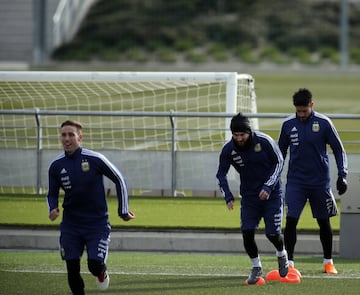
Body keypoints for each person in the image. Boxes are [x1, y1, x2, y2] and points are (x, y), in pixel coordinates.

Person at [46, 120, 135, 295]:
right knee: (72, 267)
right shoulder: (56, 166)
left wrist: (123, 211)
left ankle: (101, 272)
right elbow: (52, 193)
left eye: (71, 134)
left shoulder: (95, 159)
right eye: (63, 135)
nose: (67, 138)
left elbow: (119, 179)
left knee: (94, 265)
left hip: (97, 224)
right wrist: (53, 207)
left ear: (80, 137)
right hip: (71, 225)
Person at [278, 88, 348, 274]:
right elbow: (280, 154)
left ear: (312, 105)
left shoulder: (324, 123)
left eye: (304, 111)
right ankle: (289, 264)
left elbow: (339, 150)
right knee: (291, 220)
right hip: (296, 182)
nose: (301, 115)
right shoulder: (287, 124)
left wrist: (343, 174)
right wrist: (274, 176)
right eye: (298, 111)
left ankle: (328, 262)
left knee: (324, 222)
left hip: (319, 182)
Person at [216, 113, 289, 285]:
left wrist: (268, 186)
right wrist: (227, 195)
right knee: (247, 233)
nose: (239, 138)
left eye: (242, 134)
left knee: (273, 234)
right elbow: (221, 174)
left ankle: (281, 254)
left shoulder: (264, 141)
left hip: (272, 195)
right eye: (236, 135)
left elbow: (279, 162)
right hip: (249, 197)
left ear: (249, 132)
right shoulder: (229, 150)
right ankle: (256, 267)